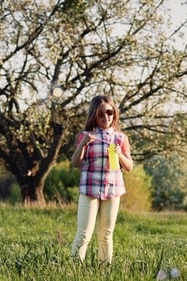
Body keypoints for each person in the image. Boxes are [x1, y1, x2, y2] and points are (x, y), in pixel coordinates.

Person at [70, 95, 133, 265]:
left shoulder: (121, 138)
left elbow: (129, 167)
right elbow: (75, 163)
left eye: (110, 112)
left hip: (113, 190)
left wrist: (119, 154)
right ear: (94, 115)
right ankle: (73, 270)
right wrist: (83, 144)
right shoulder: (85, 136)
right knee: (84, 234)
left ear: (114, 113)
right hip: (90, 189)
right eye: (101, 113)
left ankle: (104, 270)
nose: (106, 117)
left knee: (106, 234)